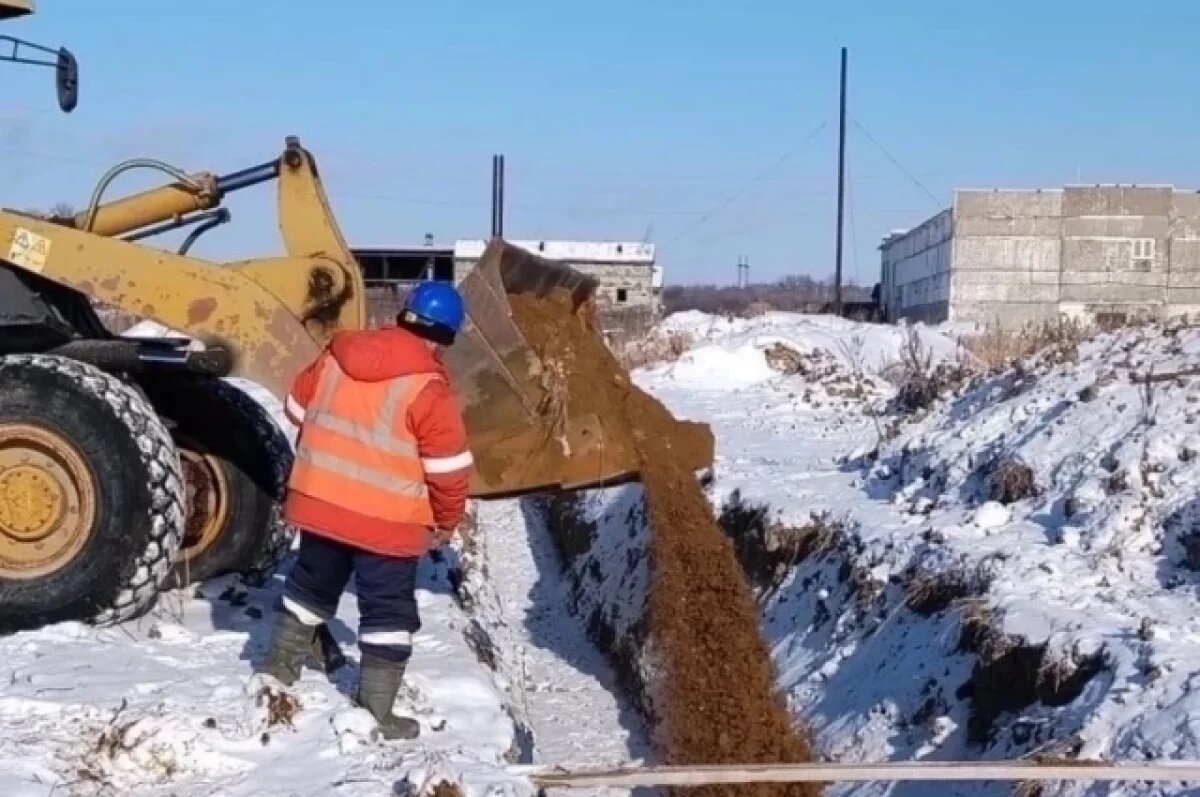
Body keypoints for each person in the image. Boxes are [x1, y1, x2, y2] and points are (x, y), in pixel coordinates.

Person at [257, 281, 474, 741]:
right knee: (387, 611)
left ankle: (279, 668)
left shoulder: (337, 355)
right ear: (445, 338)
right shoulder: (429, 389)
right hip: (387, 525)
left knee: (311, 584)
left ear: (404, 315)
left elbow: (296, 408)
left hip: (319, 505)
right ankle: (377, 711)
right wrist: (447, 520)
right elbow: (449, 471)